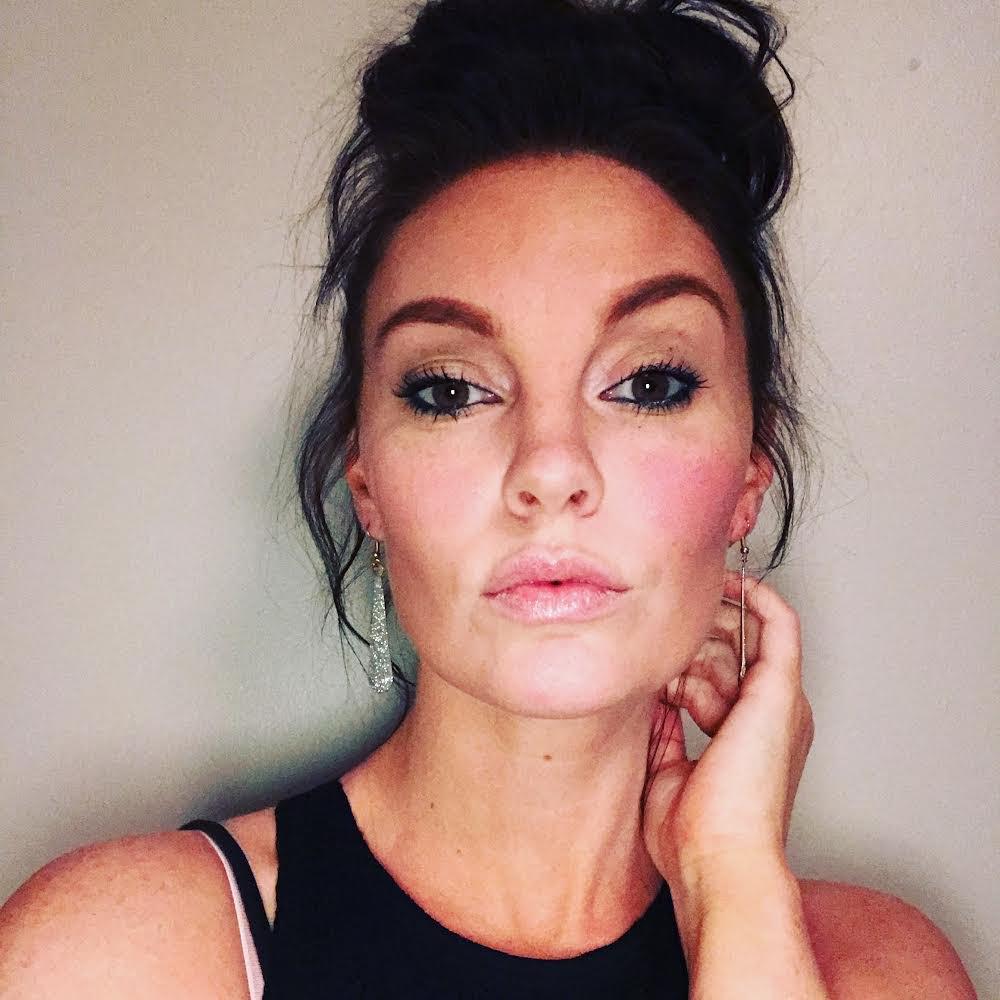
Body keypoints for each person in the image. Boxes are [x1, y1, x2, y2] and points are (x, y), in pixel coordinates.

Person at [0, 1, 977, 997]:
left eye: (648, 382)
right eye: (450, 390)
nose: (548, 468)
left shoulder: (882, 971)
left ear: (747, 479)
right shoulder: (116, 957)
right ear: (367, 483)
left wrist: (733, 885)